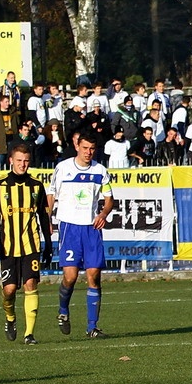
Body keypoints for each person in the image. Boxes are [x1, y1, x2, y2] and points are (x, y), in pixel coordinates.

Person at [0, 145, 52, 345]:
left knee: (30, 284)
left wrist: (47, 243)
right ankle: (10, 317)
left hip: (31, 244)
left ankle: (29, 334)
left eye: (26, 161)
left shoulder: (37, 186)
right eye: (19, 160)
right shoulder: (0, 185)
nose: (23, 164)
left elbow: (43, 217)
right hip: (8, 246)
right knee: (10, 290)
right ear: (11, 160)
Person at [47, 131, 114, 339]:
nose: (88, 152)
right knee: (71, 276)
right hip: (69, 227)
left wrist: (103, 213)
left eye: (92, 149)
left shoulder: (100, 170)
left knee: (94, 275)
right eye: (85, 148)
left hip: (91, 228)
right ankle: (63, 310)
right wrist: (47, 218)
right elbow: (51, 195)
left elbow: (110, 199)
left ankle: (92, 326)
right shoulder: (63, 168)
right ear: (77, 146)